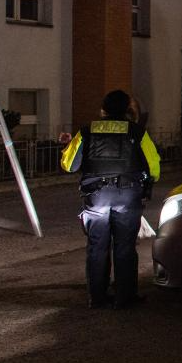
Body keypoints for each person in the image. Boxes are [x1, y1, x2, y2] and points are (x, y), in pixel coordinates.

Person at [60, 90, 161, 309]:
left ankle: (97, 297)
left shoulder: (87, 130)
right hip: (127, 196)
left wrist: (67, 147)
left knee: (97, 246)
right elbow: (154, 167)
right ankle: (125, 297)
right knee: (125, 247)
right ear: (127, 109)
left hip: (96, 196)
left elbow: (69, 165)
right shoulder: (137, 131)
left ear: (103, 109)